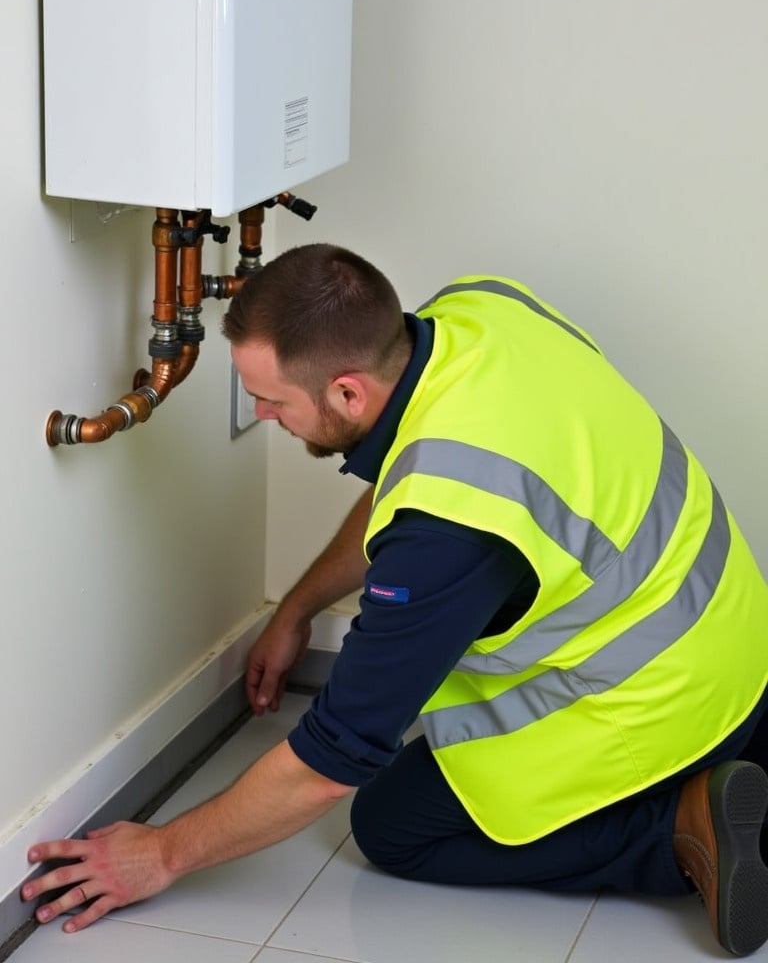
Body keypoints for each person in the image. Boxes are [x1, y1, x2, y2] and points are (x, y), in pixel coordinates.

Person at [23, 244, 768, 957]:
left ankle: (679, 825)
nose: (267, 418)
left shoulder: (447, 535)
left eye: (270, 402)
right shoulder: (478, 312)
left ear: (347, 392)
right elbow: (417, 480)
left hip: (663, 700)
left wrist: (160, 853)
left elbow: (331, 759)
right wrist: (296, 607)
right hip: (731, 628)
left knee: (393, 826)